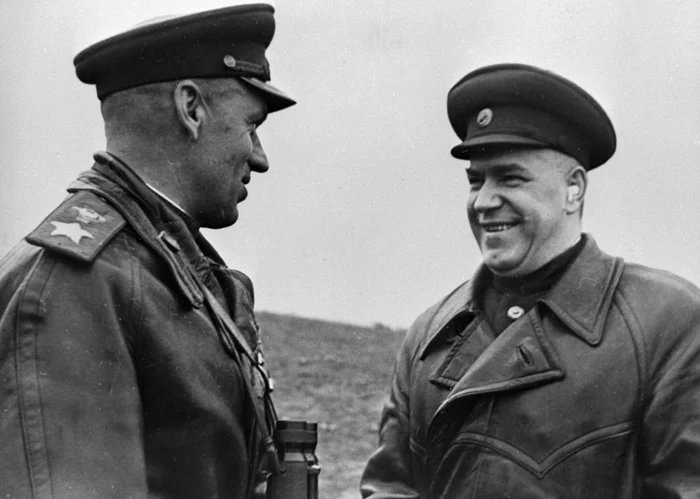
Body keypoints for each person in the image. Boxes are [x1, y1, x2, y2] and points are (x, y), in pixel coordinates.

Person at [361, 63, 700, 498]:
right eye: (476, 181)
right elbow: (390, 485)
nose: (483, 201)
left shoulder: (667, 322)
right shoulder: (431, 333)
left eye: (510, 178)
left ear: (574, 189)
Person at [0, 5, 295, 498]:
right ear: (191, 108)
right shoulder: (76, 282)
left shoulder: (161, 265)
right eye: (252, 125)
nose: (260, 157)